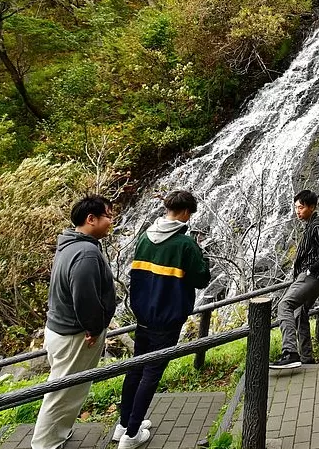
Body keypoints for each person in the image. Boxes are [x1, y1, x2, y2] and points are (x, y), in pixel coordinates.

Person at [116, 190, 211, 448]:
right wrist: (201, 254)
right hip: (167, 318)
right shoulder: (185, 244)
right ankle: (132, 435)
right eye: (190, 214)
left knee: (137, 366)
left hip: (143, 314)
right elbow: (201, 279)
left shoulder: (145, 237)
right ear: (185, 213)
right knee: (152, 372)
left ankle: (124, 424)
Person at [32, 196, 117, 449]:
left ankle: (58, 434)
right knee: (62, 395)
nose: (111, 221)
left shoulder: (70, 244)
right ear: (91, 219)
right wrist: (93, 328)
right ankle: (44, 445)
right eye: (108, 216)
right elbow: (85, 297)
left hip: (60, 327)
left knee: (68, 391)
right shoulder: (86, 253)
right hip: (75, 334)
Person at [270, 190, 319, 369]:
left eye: (301, 207)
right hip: (312, 276)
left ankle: (290, 352)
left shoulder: (318, 226)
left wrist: (307, 271)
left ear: (311, 207)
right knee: (299, 312)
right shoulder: (311, 225)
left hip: (313, 277)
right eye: (296, 207)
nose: (298, 211)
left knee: (285, 305)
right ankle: (306, 358)